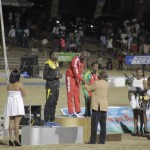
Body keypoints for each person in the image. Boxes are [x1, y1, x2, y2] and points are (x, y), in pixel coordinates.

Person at [84, 70, 109, 144]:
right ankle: (102, 141)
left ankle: (93, 140)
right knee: (103, 124)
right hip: (104, 106)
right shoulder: (107, 84)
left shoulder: (96, 83)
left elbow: (89, 89)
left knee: (94, 124)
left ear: (100, 76)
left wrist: (85, 84)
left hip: (96, 106)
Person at [4, 69, 25, 146]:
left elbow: (9, 93)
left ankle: (10, 138)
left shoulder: (8, 85)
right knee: (17, 122)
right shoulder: (20, 84)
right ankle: (17, 139)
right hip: (17, 102)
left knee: (11, 121)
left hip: (10, 102)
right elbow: (23, 94)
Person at [66, 50, 88, 116]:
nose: (84, 58)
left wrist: (80, 80)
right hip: (70, 76)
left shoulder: (83, 61)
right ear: (81, 54)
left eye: (85, 58)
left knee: (77, 94)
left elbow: (80, 71)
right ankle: (70, 111)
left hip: (76, 77)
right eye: (84, 57)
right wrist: (82, 79)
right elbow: (75, 73)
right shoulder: (75, 60)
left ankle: (78, 110)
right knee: (70, 95)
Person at [43, 51, 63, 125]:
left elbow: (56, 74)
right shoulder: (48, 64)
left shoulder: (56, 63)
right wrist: (55, 77)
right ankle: (46, 120)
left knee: (54, 103)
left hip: (56, 86)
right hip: (50, 86)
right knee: (49, 103)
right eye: (55, 55)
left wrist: (60, 75)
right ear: (51, 56)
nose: (57, 56)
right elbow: (44, 76)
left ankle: (52, 119)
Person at [128, 68, 149, 136]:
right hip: (134, 98)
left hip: (141, 98)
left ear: (142, 73)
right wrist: (130, 97)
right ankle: (135, 130)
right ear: (136, 73)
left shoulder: (144, 80)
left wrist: (139, 91)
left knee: (143, 114)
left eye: (140, 72)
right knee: (135, 114)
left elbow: (146, 89)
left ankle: (144, 129)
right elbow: (129, 89)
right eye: (138, 72)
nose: (139, 73)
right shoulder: (133, 80)